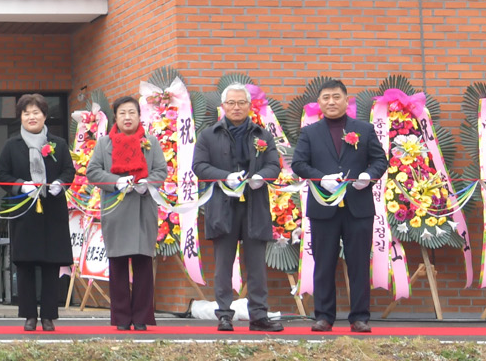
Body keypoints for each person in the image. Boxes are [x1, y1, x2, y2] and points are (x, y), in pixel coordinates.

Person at [291, 78, 389, 333]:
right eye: (326, 98)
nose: (331, 102)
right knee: (324, 264)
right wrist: (321, 178)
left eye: (336, 97)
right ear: (319, 103)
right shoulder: (310, 132)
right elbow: (298, 164)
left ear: (346, 101)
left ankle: (360, 317)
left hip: (358, 206)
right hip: (323, 207)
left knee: (359, 263)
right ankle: (324, 316)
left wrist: (368, 176)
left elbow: (380, 161)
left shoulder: (364, 129)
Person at [191, 83, 285, 333]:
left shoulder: (262, 135)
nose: (236, 107)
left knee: (256, 265)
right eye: (231, 103)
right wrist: (225, 177)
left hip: (255, 205)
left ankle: (259, 316)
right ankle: (224, 315)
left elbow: (274, 165)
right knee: (223, 265)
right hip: (222, 206)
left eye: (241, 102)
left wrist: (262, 176)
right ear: (223, 106)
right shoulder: (208, 135)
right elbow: (199, 166)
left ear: (249, 106)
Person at [0, 94, 76, 332]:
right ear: (20, 117)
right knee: (25, 265)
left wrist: (60, 183)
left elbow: (69, 171)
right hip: (25, 211)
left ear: (44, 115)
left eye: (36, 112)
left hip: (52, 210)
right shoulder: (12, 145)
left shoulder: (58, 143)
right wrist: (21, 185)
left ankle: (49, 316)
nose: (31, 117)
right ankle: (29, 315)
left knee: (51, 265)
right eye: (26, 113)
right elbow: (1, 175)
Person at [87, 96, 168, 331]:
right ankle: (121, 318)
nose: (127, 117)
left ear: (139, 116)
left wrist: (148, 183)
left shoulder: (151, 142)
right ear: (115, 117)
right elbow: (93, 172)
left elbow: (161, 170)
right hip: (116, 210)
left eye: (132, 112)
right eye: (122, 113)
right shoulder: (104, 144)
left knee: (143, 264)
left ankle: (141, 317)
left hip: (143, 208)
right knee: (118, 265)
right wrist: (116, 181)